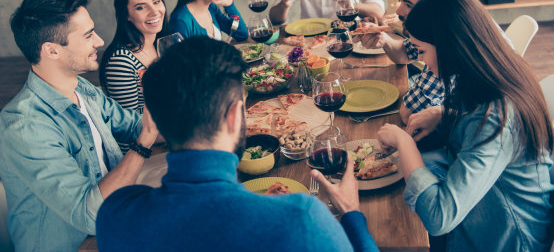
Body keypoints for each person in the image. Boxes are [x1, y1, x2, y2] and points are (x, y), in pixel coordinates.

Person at [96, 37, 379, 252]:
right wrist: (352, 213)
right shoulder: (301, 219)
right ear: (235, 116)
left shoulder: (114, 215)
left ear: (153, 120)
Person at [377, 0, 554, 252]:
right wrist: (446, 116)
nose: (424, 64)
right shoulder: (493, 72)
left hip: (502, 238)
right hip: (485, 211)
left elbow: (440, 218)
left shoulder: (497, 117)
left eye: (423, 52)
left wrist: (404, 142)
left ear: (451, 46)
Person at [0, 0, 159, 251]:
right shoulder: (25, 126)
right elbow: (91, 214)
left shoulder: (82, 89)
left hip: (115, 223)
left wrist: (195, 115)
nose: (99, 40)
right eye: (88, 35)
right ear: (51, 50)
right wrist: (144, 143)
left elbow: (136, 125)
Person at [358, 0, 464, 135]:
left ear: (436, 6)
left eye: (407, 4)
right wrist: (383, 39)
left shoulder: (448, 47)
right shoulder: (436, 27)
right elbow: (403, 54)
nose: (398, 12)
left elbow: (408, 114)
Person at [100, 0, 169, 114]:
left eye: (156, 2)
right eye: (140, 7)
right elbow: (132, 124)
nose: (154, 11)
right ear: (127, 15)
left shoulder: (165, 44)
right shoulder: (120, 61)